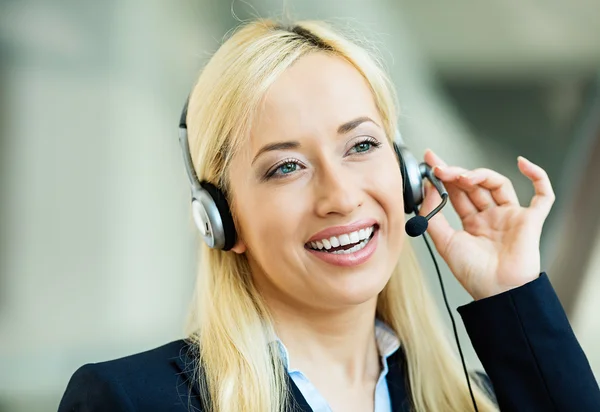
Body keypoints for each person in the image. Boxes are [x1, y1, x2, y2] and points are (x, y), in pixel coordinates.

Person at [58, 19, 600, 412]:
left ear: (407, 176)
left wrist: (512, 295)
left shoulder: (480, 399)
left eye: (361, 145)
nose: (339, 196)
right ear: (222, 218)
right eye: (286, 166)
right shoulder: (130, 401)